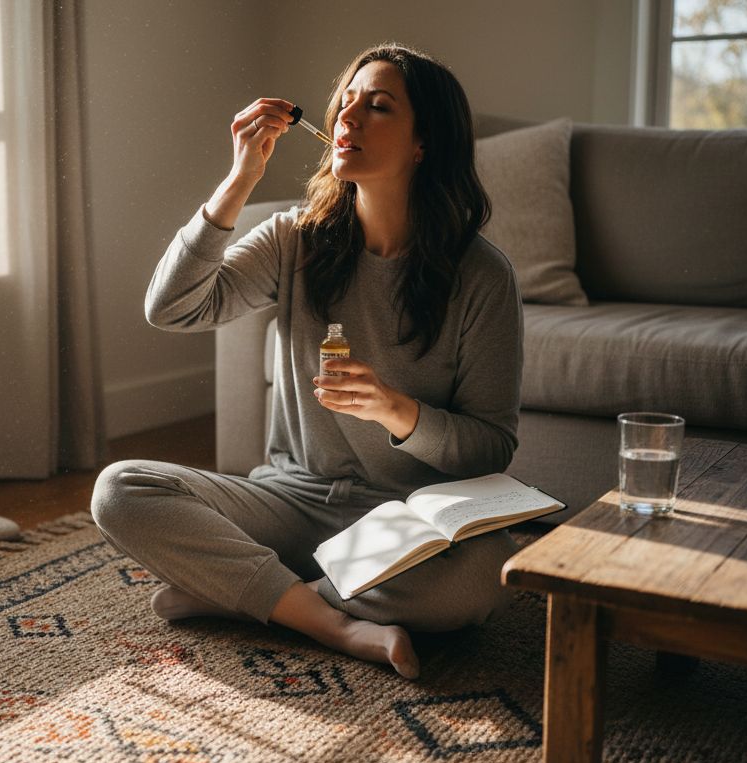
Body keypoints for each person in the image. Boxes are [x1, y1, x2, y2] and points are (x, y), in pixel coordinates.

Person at [91, 43, 522, 679]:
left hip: (402, 522)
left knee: (480, 577)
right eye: (344, 103)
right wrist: (238, 180)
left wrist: (396, 411)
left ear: (424, 143)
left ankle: (244, 595)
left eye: (377, 108)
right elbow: (172, 307)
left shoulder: (482, 276)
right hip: (288, 504)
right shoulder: (296, 238)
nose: (347, 120)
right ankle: (332, 621)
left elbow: (490, 449)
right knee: (120, 490)